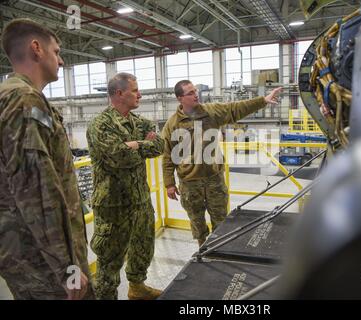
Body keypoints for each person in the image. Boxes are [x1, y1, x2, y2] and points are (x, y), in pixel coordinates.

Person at [0, 18, 94, 299]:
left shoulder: (9, 97)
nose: (61, 60)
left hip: (24, 252)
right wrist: (68, 269)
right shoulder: (24, 100)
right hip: (42, 263)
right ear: (36, 49)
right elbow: (38, 194)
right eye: (57, 51)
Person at [162, 80, 282, 247]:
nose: (196, 94)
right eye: (190, 93)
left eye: (195, 90)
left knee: (220, 220)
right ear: (180, 98)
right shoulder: (172, 124)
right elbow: (168, 155)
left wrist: (262, 100)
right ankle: (202, 248)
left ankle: (219, 249)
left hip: (214, 180)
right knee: (197, 222)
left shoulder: (210, 112)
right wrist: (169, 183)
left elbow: (235, 108)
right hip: (189, 183)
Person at [86, 73, 165, 300]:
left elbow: (159, 146)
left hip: (140, 200)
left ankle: (137, 287)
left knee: (143, 248)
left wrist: (133, 145)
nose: (140, 94)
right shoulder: (100, 124)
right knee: (110, 260)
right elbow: (118, 157)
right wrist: (142, 145)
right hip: (113, 205)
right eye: (135, 90)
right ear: (119, 93)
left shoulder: (139, 122)